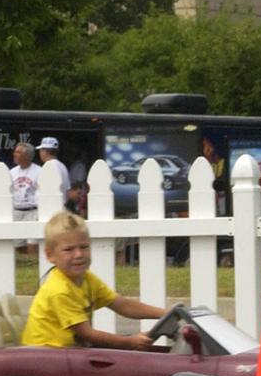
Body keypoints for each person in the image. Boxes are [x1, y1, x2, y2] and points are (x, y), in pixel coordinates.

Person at [21, 210, 173, 349]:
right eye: (69, 249)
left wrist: (165, 313)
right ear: (50, 255)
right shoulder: (59, 290)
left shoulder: (87, 279)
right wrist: (130, 342)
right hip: (47, 356)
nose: (79, 254)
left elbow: (123, 305)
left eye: (84, 247)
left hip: (71, 354)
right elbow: (87, 333)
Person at [10, 141, 41, 255]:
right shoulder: (12, 172)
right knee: (18, 244)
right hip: (17, 211)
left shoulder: (39, 171)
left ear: (27, 155)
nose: (14, 154)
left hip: (32, 211)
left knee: (32, 244)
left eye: (18, 152)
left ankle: (33, 266)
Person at [37, 137, 72, 209]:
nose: (40, 153)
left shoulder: (48, 166)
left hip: (50, 207)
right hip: (62, 205)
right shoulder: (62, 166)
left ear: (45, 151)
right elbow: (68, 191)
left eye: (41, 150)